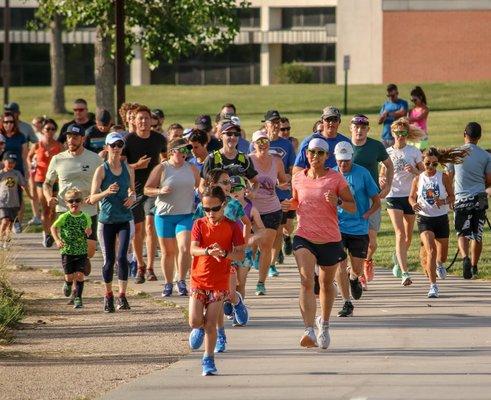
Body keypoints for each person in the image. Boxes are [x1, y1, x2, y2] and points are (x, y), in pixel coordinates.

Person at [284, 138, 355, 349]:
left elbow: (353, 206)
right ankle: (308, 330)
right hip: (304, 235)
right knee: (306, 281)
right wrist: (290, 204)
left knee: (325, 284)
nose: (315, 156)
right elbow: (297, 200)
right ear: (306, 155)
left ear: (327, 157)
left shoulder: (336, 179)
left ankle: (323, 324)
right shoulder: (298, 178)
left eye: (320, 153)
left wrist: (338, 202)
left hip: (330, 238)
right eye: (312, 152)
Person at [188, 186, 245, 376]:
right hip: (199, 280)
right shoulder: (199, 224)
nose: (211, 213)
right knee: (195, 321)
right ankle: (199, 328)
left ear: (224, 205)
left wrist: (225, 253)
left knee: (211, 323)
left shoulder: (233, 226)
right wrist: (207, 251)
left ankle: (208, 360)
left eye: (215, 209)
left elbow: (240, 254)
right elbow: (192, 250)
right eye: (206, 209)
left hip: (219, 282)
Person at [195, 169, 251, 350]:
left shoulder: (234, 205)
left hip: (229, 257)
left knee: (229, 293)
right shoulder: (202, 207)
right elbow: (197, 233)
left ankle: (236, 301)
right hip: (208, 261)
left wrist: (241, 245)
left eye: (229, 182)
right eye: (224, 182)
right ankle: (218, 334)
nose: (229, 185)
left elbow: (245, 223)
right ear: (213, 185)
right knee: (215, 301)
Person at [44, 123, 103, 291]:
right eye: (69, 137)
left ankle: (82, 263)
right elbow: (47, 183)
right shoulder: (58, 159)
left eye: (75, 137)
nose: (71, 140)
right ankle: (73, 284)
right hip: (65, 209)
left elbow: (103, 179)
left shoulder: (94, 159)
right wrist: (49, 197)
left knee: (89, 251)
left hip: (88, 209)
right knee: (71, 250)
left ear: (82, 139)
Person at [144, 138, 200, 297]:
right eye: (181, 150)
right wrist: (159, 191)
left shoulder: (192, 168)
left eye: (186, 151)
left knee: (184, 247)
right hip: (164, 216)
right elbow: (147, 189)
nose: (184, 154)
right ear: (172, 151)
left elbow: (199, 187)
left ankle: (181, 280)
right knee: (168, 252)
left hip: (186, 214)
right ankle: (168, 283)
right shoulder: (162, 168)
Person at [409, 147, 467, 298]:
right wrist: (413, 204)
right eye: (428, 163)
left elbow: (453, 196)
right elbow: (411, 197)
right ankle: (433, 286)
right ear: (423, 162)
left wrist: (444, 201)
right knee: (431, 251)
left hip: (441, 218)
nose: (430, 167)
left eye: (434, 164)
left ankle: (439, 265)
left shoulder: (443, 177)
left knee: (442, 256)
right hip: (424, 218)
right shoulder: (418, 179)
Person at [333, 142, 380, 317]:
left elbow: (376, 200)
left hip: (359, 227)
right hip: (337, 226)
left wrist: (367, 214)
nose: (343, 165)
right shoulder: (331, 174)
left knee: (357, 267)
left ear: (352, 157)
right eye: (340, 161)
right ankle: (347, 302)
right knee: (340, 263)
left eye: (346, 161)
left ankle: (354, 279)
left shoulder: (362, 173)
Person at [89, 132, 136, 312]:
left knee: (123, 257)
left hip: (124, 218)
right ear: (107, 147)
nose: (116, 148)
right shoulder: (102, 170)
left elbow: (133, 191)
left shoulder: (128, 169)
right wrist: (106, 192)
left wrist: (132, 198)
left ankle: (122, 296)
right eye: (113, 145)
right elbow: (92, 198)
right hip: (107, 220)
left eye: (119, 145)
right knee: (109, 260)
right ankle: (108, 295)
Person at [123, 105, 167, 284]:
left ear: (152, 121)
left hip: (152, 190)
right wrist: (136, 166)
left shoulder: (158, 139)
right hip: (134, 189)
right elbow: (121, 167)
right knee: (137, 229)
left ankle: (150, 267)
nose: (143, 122)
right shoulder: (128, 140)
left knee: (150, 225)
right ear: (133, 121)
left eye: (146, 118)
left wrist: (163, 171)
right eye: (140, 118)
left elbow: (165, 158)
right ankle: (139, 265)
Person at [349, 114, 394, 290]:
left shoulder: (375, 146)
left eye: (363, 127)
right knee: (350, 240)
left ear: (368, 129)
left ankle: (366, 261)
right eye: (356, 126)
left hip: (371, 198)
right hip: (349, 200)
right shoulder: (345, 146)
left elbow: (389, 165)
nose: (359, 130)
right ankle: (357, 275)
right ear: (351, 128)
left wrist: (388, 186)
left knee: (371, 243)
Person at [249, 111, 296, 266]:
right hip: (258, 196)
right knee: (256, 229)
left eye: (278, 122)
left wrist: (287, 180)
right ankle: (256, 255)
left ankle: (272, 264)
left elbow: (290, 169)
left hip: (280, 193)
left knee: (278, 231)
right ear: (266, 124)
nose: (276, 125)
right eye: (272, 122)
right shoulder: (254, 146)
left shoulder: (287, 144)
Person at [446, 122, 491, 279]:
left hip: (461, 198)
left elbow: (448, 177)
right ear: (479, 137)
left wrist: (450, 195)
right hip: (479, 197)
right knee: (477, 234)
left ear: (464, 134)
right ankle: (474, 266)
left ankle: (465, 257)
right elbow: (489, 179)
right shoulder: (486, 156)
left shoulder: (455, 153)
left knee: (462, 232)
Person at [383, 117, 425, 286]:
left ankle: (397, 259)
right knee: (400, 233)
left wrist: (414, 170)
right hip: (393, 195)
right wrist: (382, 180)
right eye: (397, 133)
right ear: (392, 133)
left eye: (403, 133)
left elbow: (424, 174)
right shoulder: (387, 152)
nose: (400, 136)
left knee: (407, 237)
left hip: (409, 196)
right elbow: (382, 173)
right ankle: (405, 273)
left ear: (407, 134)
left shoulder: (413, 152)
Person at [249, 130, 290, 295]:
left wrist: (283, 185)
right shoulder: (248, 160)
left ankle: (261, 283)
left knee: (266, 246)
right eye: (259, 142)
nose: (262, 145)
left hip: (273, 209)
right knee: (252, 244)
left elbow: (282, 180)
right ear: (253, 144)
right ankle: (246, 272)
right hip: (253, 209)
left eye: (265, 141)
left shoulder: (277, 161)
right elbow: (241, 181)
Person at [51, 188, 92, 309]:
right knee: (69, 276)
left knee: (80, 275)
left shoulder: (86, 217)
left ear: (82, 202)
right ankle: (68, 283)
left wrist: (88, 231)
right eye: (71, 201)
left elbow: (88, 229)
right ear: (66, 203)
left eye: (77, 200)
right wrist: (57, 240)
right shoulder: (64, 217)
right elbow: (53, 227)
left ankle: (78, 298)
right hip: (67, 250)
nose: (74, 203)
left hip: (81, 250)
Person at [27, 118, 63, 247]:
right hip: (41, 179)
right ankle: (46, 234)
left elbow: (64, 159)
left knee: (53, 209)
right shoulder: (37, 145)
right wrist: (32, 166)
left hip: (55, 179)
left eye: (53, 129)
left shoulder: (59, 145)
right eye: (48, 129)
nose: (50, 131)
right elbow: (29, 157)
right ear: (42, 130)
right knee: (45, 208)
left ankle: (51, 233)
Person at [293, 106, 350, 174]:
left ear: (339, 121)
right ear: (322, 121)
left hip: (339, 182)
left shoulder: (345, 142)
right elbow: (297, 169)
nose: (331, 123)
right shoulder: (310, 141)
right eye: (328, 119)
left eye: (335, 119)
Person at [200, 120, 258, 188]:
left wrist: (251, 193)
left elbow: (255, 182)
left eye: (236, 134)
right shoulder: (212, 158)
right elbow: (202, 185)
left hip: (238, 198)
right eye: (229, 134)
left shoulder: (244, 158)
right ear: (221, 136)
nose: (233, 137)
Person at [1, 112, 29, 233]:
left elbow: (24, 155)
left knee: (18, 197)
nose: (9, 124)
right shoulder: (1, 136)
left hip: (17, 171)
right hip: (2, 172)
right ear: (2, 122)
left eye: (11, 122)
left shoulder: (20, 136)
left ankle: (16, 221)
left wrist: (27, 171)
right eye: (6, 122)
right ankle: (4, 222)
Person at [0, 152, 31, 247]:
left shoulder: (17, 173)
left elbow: (23, 185)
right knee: (5, 221)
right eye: (9, 162)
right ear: (3, 162)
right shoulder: (1, 173)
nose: (11, 164)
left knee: (10, 223)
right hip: (3, 203)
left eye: (13, 162)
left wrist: (30, 196)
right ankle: (1, 239)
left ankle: (7, 242)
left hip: (14, 203)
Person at [378, 84, 409, 148]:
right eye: (388, 95)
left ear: (397, 93)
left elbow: (403, 112)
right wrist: (383, 116)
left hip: (397, 136)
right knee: (383, 157)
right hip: (385, 136)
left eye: (392, 95)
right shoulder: (386, 104)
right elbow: (379, 121)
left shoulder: (402, 103)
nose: (390, 97)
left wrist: (388, 113)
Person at [408, 86, 429, 150]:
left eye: (415, 100)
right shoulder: (412, 109)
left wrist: (406, 119)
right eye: (412, 100)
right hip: (412, 135)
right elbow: (410, 122)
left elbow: (418, 118)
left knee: (421, 155)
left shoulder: (425, 109)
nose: (413, 102)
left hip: (422, 135)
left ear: (421, 97)